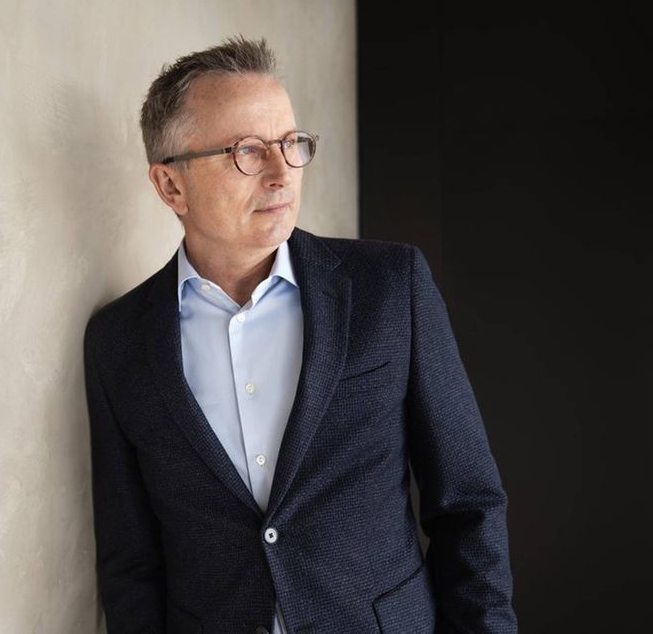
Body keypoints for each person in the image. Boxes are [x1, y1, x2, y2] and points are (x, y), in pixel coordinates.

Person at [83, 37, 517, 634]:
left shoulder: (390, 286)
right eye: (246, 151)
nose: (281, 172)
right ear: (170, 186)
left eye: (291, 143)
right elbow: (130, 560)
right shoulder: (119, 342)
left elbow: (468, 503)